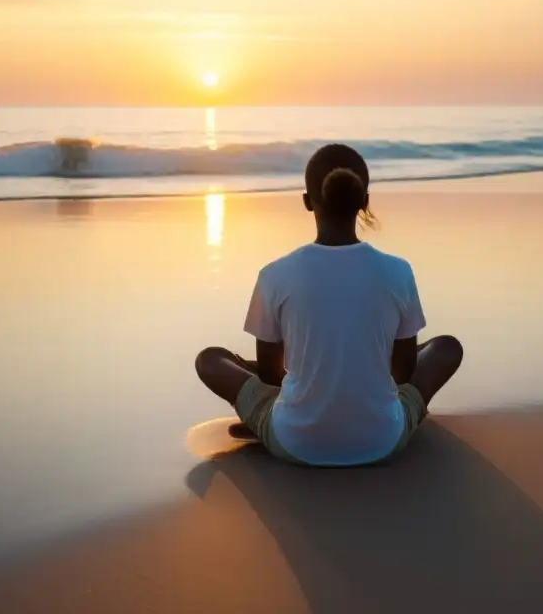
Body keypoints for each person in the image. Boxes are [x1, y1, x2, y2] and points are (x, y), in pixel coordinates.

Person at [195, 144, 463, 466]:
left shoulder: (275, 274)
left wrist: (311, 380)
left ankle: (278, 410)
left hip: (295, 442)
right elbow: (404, 373)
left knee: (211, 360)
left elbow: (269, 375)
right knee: (445, 348)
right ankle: (335, 386)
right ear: (364, 200)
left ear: (307, 202)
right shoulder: (397, 271)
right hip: (382, 440)